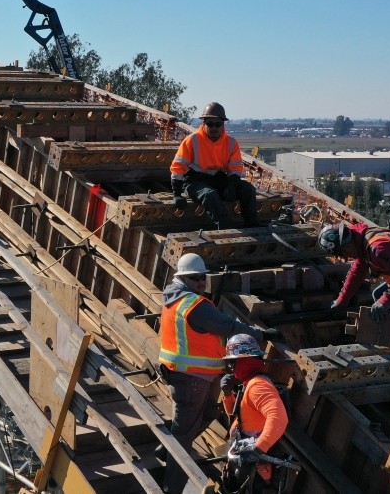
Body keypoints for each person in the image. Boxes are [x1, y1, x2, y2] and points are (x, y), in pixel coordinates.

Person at [160, 253, 278, 494]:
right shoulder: (194, 305)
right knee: (183, 438)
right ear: (183, 279)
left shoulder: (176, 299)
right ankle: (172, 488)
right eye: (195, 278)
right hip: (192, 379)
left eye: (203, 278)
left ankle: (165, 448)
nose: (201, 283)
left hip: (193, 376)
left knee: (206, 414)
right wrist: (261, 335)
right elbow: (228, 325)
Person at [169, 103, 259, 228]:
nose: (214, 128)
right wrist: (177, 194)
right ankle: (226, 228)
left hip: (218, 179)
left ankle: (252, 224)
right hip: (194, 180)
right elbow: (178, 167)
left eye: (218, 124)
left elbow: (235, 168)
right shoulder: (192, 140)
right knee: (209, 195)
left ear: (223, 125)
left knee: (248, 189)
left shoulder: (231, 143)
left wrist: (232, 186)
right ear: (203, 124)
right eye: (210, 124)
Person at [219, 334, 289, 494]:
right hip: (245, 459)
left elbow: (279, 419)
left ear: (242, 361)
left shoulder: (258, 386)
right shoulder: (249, 383)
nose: (231, 368)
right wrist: (228, 393)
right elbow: (236, 413)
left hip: (255, 468)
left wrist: (257, 449)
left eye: (232, 363)